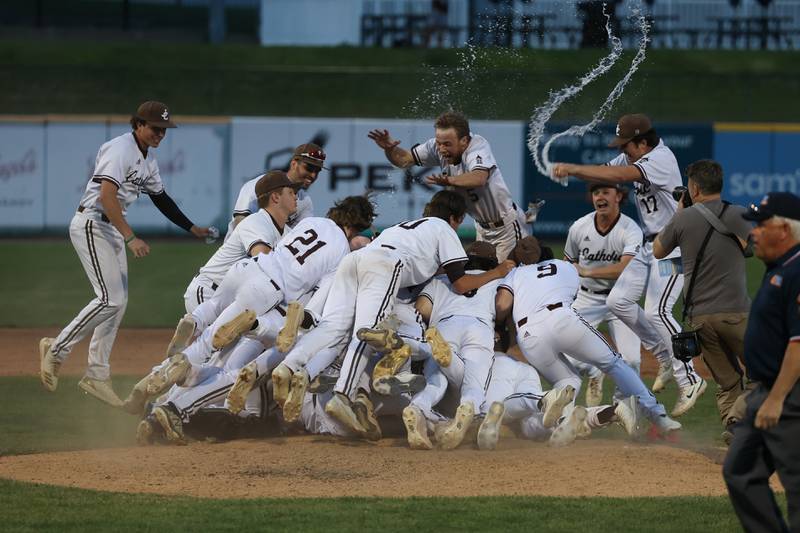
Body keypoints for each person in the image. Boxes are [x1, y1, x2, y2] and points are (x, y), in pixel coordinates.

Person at [38, 101, 211, 406]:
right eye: (156, 128)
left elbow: (161, 199)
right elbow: (106, 196)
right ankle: (56, 348)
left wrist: (191, 228)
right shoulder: (120, 149)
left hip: (110, 229)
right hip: (92, 224)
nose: (160, 134)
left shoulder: (148, 160)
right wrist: (131, 237)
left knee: (117, 304)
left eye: (164, 129)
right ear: (138, 124)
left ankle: (97, 374)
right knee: (109, 299)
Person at [552, 113, 705, 415]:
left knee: (657, 311)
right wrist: (578, 172)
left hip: (675, 245)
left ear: (644, 143)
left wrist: (571, 167)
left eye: (627, 145)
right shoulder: (633, 157)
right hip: (652, 245)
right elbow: (604, 173)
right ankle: (664, 355)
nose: (622, 150)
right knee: (618, 301)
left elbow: (620, 178)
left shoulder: (659, 159)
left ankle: (689, 378)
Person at [494, 236, 682, 436]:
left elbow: (502, 307)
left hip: (529, 335)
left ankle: (559, 425)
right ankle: (657, 415)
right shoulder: (563, 266)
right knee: (613, 363)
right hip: (561, 319)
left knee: (566, 382)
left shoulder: (514, 274)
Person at [654, 159, 753, 429]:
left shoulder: (683, 219)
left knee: (728, 381)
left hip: (700, 318)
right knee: (763, 372)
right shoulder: (739, 214)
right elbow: (754, 248)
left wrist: (679, 212)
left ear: (694, 188)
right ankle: (741, 420)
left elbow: (657, 251)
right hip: (736, 314)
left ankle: (734, 433)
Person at [723, 192, 800, 532]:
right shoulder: (777, 268)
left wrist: (777, 398)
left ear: (784, 230)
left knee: (797, 483)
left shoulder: (797, 271)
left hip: (789, 396)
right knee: (739, 469)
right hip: (765, 393)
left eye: (761, 224)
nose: (753, 231)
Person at [368, 110, 528, 261]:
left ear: (464, 141)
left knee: (505, 281)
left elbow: (479, 178)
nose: (442, 149)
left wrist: (449, 181)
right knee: (482, 278)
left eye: (447, 144)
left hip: (506, 227)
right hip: (482, 228)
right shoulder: (436, 147)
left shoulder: (477, 146)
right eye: (439, 143)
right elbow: (404, 160)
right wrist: (390, 150)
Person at [564, 183, 643, 407]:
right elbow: (568, 263)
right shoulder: (579, 227)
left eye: (606, 192)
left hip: (620, 299)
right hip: (586, 298)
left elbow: (625, 268)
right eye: (596, 192)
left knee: (632, 360)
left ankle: (622, 410)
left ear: (618, 196)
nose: (600, 197)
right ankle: (592, 373)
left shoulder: (630, 229)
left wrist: (587, 270)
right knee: (569, 359)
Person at [182, 170, 299, 313]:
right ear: (275, 197)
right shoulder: (256, 222)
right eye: (291, 192)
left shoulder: (288, 233)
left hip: (236, 299)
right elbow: (263, 261)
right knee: (213, 335)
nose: (296, 196)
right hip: (209, 293)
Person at [226, 142, 324, 238]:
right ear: (294, 164)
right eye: (309, 168)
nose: (313, 175)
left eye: (317, 171)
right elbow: (241, 223)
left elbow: (302, 238)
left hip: (271, 252)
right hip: (241, 252)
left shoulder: (305, 201)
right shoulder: (260, 185)